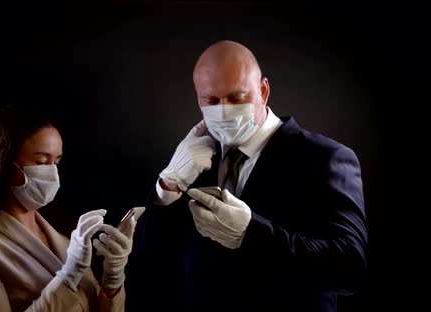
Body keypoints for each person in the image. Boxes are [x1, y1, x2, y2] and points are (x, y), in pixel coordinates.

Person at [131, 41, 368, 312]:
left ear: (263, 91)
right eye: (211, 101)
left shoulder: (325, 158)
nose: (223, 110)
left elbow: (351, 268)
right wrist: (167, 186)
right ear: (198, 98)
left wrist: (250, 233)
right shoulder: (194, 159)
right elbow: (151, 262)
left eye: (236, 97)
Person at [0, 106, 135, 311]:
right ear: (4, 164)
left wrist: (112, 281)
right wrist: (70, 273)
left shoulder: (64, 233)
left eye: (56, 162)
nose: (52, 173)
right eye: (41, 162)